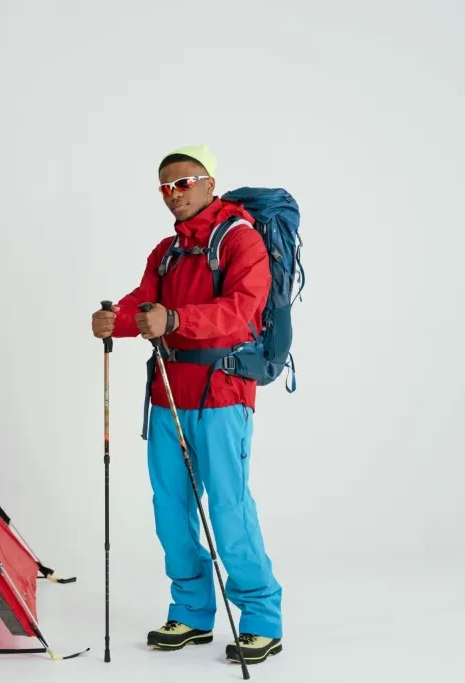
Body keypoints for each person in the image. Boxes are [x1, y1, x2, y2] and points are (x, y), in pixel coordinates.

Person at [91, 145, 283, 666]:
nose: (173, 194)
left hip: (222, 394)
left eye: (184, 183)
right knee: (171, 509)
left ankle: (262, 619)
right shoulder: (166, 251)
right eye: (165, 187)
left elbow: (243, 314)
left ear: (208, 183)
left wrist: (175, 322)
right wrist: (118, 320)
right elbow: (144, 302)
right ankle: (194, 612)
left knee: (227, 507)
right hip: (168, 394)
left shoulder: (241, 240)